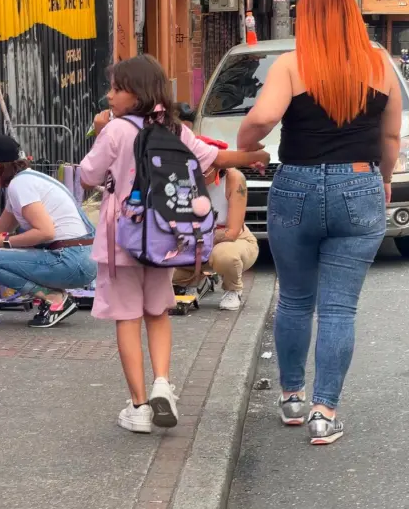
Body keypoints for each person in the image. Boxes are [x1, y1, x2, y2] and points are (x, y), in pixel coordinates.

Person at [236, 0, 402, 445]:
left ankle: (291, 396)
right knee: (338, 308)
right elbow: (391, 138)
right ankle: (324, 412)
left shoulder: (292, 65)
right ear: (352, 14)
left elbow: (264, 118)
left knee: (294, 298)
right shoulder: (380, 63)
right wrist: (384, 180)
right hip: (359, 182)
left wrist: (246, 146)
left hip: (297, 186)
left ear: (306, 17)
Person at [80, 54, 270, 434]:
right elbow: (213, 158)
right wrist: (256, 156)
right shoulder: (175, 130)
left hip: (123, 240)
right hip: (164, 236)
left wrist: (103, 129)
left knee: (127, 317)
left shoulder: (115, 131)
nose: (109, 96)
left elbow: (88, 175)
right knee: (157, 313)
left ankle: (138, 407)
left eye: (116, 88)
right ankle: (163, 383)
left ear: (134, 94)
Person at [0, 135, 96, 328]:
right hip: (81, 257)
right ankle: (55, 298)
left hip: (72, 260)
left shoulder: (20, 186)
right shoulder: (27, 180)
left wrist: (4, 242)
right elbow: (0, 229)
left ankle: (54, 298)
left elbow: (45, 232)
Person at [172, 136, 260, 311]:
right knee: (163, 272)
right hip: (194, 240)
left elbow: (232, 232)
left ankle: (233, 289)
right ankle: (197, 280)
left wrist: (195, 239)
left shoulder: (234, 178)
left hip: (232, 240)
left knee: (225, 256)